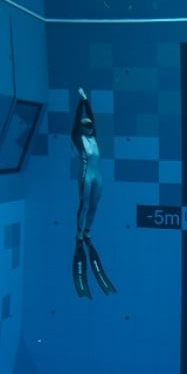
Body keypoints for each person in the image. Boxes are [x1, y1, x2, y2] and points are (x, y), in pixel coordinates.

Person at [70, 88, 116, 298]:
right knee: (85, 204)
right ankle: (79, 232)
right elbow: (75, 124)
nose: (90, 127)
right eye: (87, 125)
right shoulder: (78, 139)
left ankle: (87, 231)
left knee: (95, 205)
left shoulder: (94, 136)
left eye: (91, 125)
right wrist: (80, 104)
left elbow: (93, 118)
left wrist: (87, 101)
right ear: (81, 127)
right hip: (87, 174)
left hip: (98, 176)